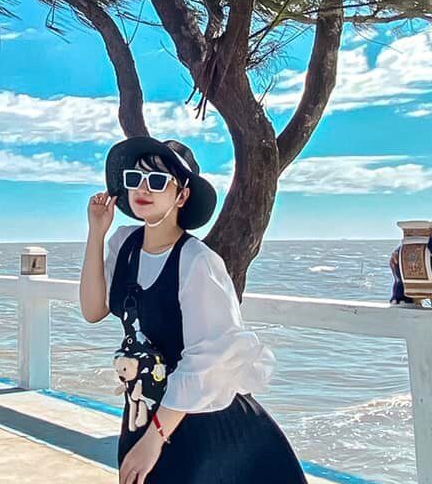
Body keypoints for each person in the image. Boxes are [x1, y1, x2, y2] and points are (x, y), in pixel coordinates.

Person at [80, 136, 307, 484]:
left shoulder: (197, 261)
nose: (143, 188)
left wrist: (155, 438)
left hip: (201, 420)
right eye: (135, 178)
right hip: (145, 407)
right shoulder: (124, 244)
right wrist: (96, 232)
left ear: (182, 195)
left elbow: (209, 358)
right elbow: (93, 309)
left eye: (158, 180)